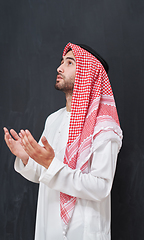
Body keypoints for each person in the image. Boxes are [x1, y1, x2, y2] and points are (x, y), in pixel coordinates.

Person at [4, 43, 123, 240]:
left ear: (88, 74)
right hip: (47, 227)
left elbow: (101, 187)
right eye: (61, 62)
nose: (59, 68)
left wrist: (51, 164)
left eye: (70, 62)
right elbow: (45, 173)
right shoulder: (53, 119)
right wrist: (27, 158)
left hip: (83, 232)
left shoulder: (104, 127)